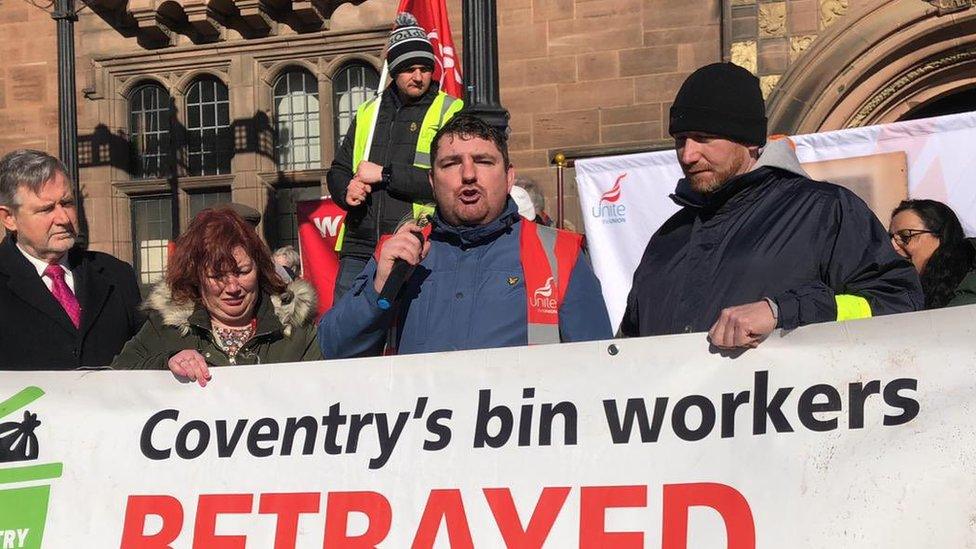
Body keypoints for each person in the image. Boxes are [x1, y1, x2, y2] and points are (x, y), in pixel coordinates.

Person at [619, 63, 922, 349]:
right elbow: (626, 349)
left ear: (749, 140)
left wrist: (782, 312)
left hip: (796, 403)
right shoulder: (667, 239)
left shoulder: (824, 211)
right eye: (680, 140)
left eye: (703, 138)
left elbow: (898, 302)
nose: (688, 155)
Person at [319, 114, 612, 357]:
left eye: (484, 161)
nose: (469, 174)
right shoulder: (398, 254)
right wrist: (377, 289)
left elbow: (599, 371)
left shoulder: (560, 254)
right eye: (451, 164)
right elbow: (333, 350)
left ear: (509, 176)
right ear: (432, 182)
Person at [327, 12, 464, 302]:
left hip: (416, 241)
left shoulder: (450, 110)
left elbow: (450, 182)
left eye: (425, 68)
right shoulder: (368, 112)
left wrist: (384, 175)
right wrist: (345, 189)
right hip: (359, 245)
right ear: (394, 70)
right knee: (347, 335)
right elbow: (338, 169)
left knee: (409, 336)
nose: (418, 76)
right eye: (409, 68)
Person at [112, 208, 321, 383]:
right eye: (217, 275)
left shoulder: (298, 332)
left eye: (243, 272)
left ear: (260, 269)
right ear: (196, 277)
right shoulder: (165, 328)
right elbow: (112, 380)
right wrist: (166, 362)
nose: (232, 287)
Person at [0, 149, 143, 370]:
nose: (64, 218)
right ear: (9, 218)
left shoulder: (116, 274)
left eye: (67, 203)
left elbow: (151, 351)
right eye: (46, 209)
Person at [889, 199, 976, 308]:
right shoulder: (895, 289)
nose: (893, 246)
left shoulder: (970, 284)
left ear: (940, 236)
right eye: (890, 239)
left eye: (905, 236)